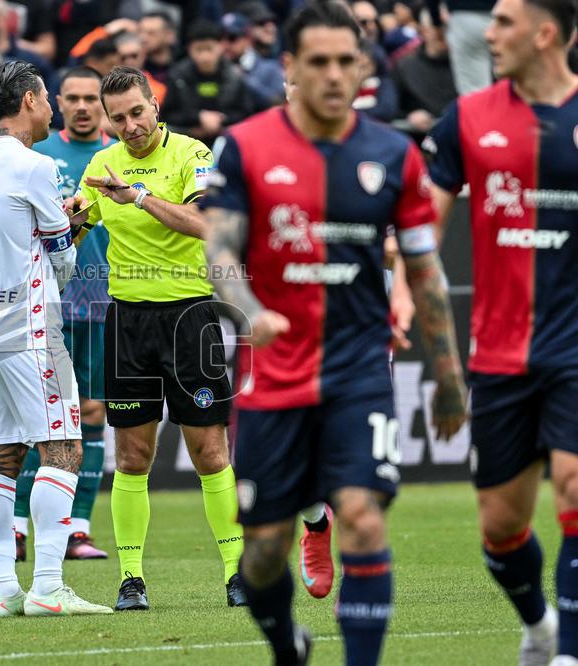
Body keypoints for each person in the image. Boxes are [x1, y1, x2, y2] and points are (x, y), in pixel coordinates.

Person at [203, 2, 467, 663]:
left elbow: (426, 272)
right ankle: (287, 648)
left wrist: (447, 375)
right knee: (262, 554)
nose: (332, 75)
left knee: (361, 514)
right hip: (274, 374)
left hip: (358, 371)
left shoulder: (394, 156)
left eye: (345, 61)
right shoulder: (245, 146)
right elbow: (221, 255)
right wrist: (248, 308)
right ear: (290, 67)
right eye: (317, 62)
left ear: (363, 68)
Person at [424, 0, 578, 661]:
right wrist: (401, 295)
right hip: (500, 353)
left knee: (574, 488)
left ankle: (570, 650)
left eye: (504, 21)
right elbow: (421, 231)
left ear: (545, 33)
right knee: (501, 528)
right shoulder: (468, 116)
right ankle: (541, 627)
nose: (488, 34)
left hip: (575, 347)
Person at [69, 66, 246, 611]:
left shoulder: (193, 154)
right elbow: (75, 224)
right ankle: (131, 579)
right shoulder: (102, 165)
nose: (129, 125)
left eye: (136, 112)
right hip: (128, 322)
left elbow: (205, 225)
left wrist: (139, 197)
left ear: (155, 105)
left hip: (191, 317)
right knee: (132, 456)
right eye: (117, 117)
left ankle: (237, 575)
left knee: (210, 453)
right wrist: (63, 219)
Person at [0, 60, 112, 618]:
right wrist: (83, 220)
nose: (52, 107)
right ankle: (47, 585)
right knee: (64, 446)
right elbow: (63, 264)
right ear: (28, 100)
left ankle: (2, 589)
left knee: (0, 455)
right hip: (29, 326)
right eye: (47, 97)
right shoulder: (36, 165)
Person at [13, 66, 115, 562]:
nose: (81, 106)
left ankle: (79, 528)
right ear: (57, 100)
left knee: (93, 412)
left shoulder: (117, 158)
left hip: (102, 304)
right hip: (46, 307)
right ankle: (18, 524)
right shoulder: (37, 157)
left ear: (103, 103)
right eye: (71, 97)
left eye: (90, 98)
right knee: (42, 422)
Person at [161, 19, 256, 145]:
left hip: (226, 138)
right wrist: (198, 117)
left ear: (220, 47)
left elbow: (246, 113)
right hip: (187, 138)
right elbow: (167, 115)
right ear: (189, 49)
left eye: (209, 49)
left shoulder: (235, 75)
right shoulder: (177, 76)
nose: (205, 56)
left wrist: (222, 120)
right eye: (199, 50)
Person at [392, 8, 457, 132]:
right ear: (424, 31)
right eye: (437, 26)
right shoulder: (404, 67)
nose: (443, 32)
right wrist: (408, 116)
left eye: (448, 26)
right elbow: (390, 108)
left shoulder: (467, 65)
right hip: (420, 139)